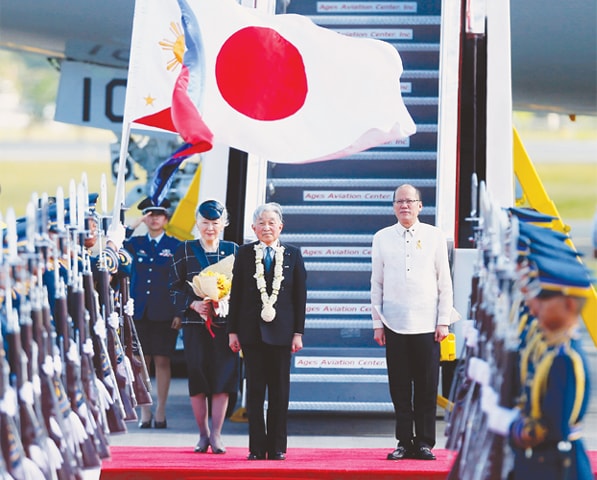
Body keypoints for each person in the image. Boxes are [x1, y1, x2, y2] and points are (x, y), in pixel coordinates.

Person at [370, 184, 453, 461]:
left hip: (428, 324)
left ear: (420, 205)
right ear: (394, 206)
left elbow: (445, 282)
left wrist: (444, 321)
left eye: (410, 201)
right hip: (394, 323)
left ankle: (425, 442)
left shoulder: (434, 236)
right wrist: (377, 323)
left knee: (427, 386)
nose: (404, 206)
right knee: (400, 386)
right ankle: (404, 441)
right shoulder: (381, 237)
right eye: (399, 202)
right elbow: (376, 283)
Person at [227, 202, 307, 461]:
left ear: (280, 227)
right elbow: (236, 294)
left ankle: (277, 446)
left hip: (283, 334)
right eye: (261, 222)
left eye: (271, 222)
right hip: (251, 333)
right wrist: (232, 332)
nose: (266, 227)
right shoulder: (244, 253)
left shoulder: (293, 254)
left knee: (280, 392)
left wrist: (298, 332)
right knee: (254, 392)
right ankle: (256, 447)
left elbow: (300, 297)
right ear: (253, 227)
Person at [508, 254, 594, 480]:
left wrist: (507, 426)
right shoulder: (552, 348)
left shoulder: (565, 359)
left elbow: (550, 430)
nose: (533, 303)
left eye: (544, 298)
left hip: (556, 468)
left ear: (568, 304)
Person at [169, 199, 239, 454]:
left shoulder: (234, 250)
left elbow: (242, 289)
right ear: (197, 223)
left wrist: (227, 300)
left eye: (215, 223)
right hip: (194, 325)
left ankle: (218, 434)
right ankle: (202, 434)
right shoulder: (184, 250)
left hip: (225, 325)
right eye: (205, 223)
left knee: (223, 378)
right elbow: (172, 288)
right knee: (198, 376)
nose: (210, 228)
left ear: (224, 224)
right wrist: (193, 304)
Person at [123, 197, 181, 429]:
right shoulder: (135, 243)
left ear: (166, 219)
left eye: (159, 215)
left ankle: (161, 410)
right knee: (141, 362)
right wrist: (134, 224)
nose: (155, 219)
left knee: (162, 360)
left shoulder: (175, 245)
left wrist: (179, 311)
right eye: (150, 215)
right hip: (139, 312)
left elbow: (180, 280)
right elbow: (115, 245)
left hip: (164, 311)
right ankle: (145, 410)